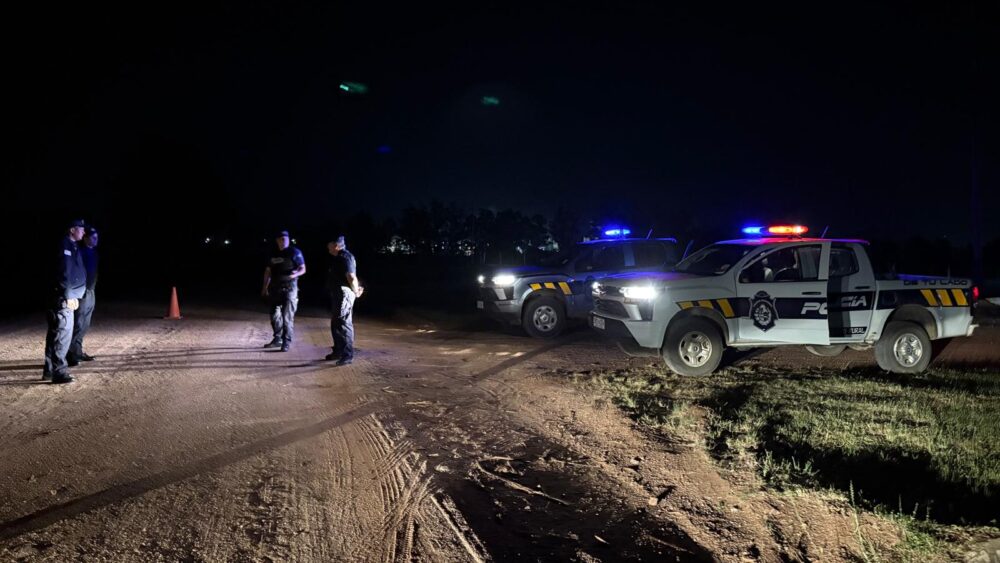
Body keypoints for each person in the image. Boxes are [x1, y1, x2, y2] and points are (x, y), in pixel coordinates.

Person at [44, 219, 88, 383]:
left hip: (65, 295)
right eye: (81, 229)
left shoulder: (72, 246)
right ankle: (59, 372)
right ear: (72, 230)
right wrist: (69, 295)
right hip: (63, 297)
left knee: (56, 334)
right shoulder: (65, 246)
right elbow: (64, 273)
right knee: (62, 335)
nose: (83, 232)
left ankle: (49, 370)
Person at [261, 230, 305, 352]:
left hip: (290, 288)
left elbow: (303, 269)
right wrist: (264, 287)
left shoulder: (294, 252)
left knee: (287, 317)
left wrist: (294, 274)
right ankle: (277, 339)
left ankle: (286, 342)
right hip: (275, 288)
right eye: (282, 239)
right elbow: (268, 272)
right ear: (277, 240)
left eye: (286, 239)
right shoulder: (273, 253)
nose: (284, 241)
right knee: (274, 315)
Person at [325, 235, 363, 365]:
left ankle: (347, 355)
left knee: (344, 323)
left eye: (329, 245)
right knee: (336, 323)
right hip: (338, 293)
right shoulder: (339, 258)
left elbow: (351, 276)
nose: (327, 247)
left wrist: (356, 291)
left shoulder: (345, 257)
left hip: (344, 294)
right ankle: (338, 351)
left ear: (336, 245)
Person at [69, 226, 99, 365]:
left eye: (97, 237)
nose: (96, 240)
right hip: (82, 291)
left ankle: (78, 351)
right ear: (85, 238)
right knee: (78, 323)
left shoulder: (94, 252)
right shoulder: (80, 252)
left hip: (91, 291)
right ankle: (71, 354)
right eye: (93, 237)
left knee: (85, 324)